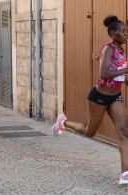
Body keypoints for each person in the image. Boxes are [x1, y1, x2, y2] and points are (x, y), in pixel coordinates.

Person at [52, 15, 128, 185]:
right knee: (89, 132)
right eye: (122, 31)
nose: (126, 34)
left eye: (126, 31)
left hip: (115, 95)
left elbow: (121, 76)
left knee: (124, 131)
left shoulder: (122, 51)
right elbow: (104, 74)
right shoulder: (108, 49)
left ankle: (125, 174)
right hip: (99, 97)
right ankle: (64, 122)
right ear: (113, 33)